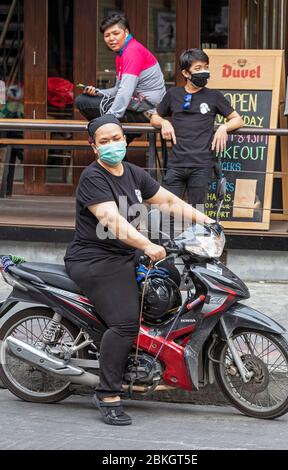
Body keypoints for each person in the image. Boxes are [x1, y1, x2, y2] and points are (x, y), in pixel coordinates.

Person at [64, 114, 215, 426]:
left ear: (125, 139)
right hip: (96, 260)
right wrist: (147, 246)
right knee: (124, 323)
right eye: (103, 141)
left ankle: (148, 356)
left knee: (172, 281)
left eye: (116, 138)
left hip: (127, 255)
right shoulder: (93, 178)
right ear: (94, 147)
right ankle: (107, 394)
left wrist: (206, 221)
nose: (111, 145)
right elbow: (114, 222)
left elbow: (168, 201)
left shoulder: (132, 173)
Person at [150, 48, 244, 209]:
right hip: (176, 164)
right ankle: (170, 235)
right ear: (186, 73)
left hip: (202, 164)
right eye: (198, 69)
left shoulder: (214, 96)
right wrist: (164, 122)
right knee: (167, 209)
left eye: (206, 67)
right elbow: (154, 117)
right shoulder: (173, 94)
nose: (204, 72)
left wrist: (223, 127)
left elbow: (238, 119)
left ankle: (195, 234)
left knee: (197, 211)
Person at [75, 14, 166, 129]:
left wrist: (110, 118)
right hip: (137, 103)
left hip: (148, 108)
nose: (111, 38)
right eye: (107, 35)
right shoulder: (121, 55)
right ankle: (118, 134)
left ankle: (111, 131)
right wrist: (98, 92)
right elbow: (118, 89)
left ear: (126, 32)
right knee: (88, 98)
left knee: (83, 102)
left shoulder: (132, 51)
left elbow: (125, 91)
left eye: (116, 33)